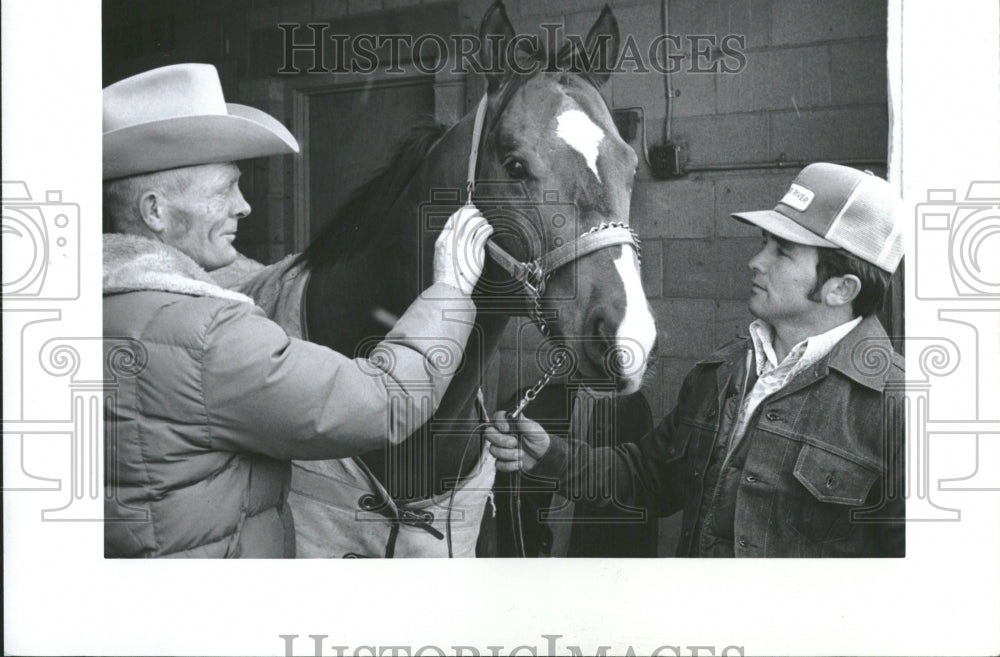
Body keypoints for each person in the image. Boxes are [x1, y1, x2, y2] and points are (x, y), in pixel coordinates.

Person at [102, 63, 492, 558]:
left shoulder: (101, 306)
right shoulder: (205, 335)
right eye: (225, 189)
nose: (244, 206)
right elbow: (385, 403)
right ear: (155, 211)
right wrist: (452, 289)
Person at [486, 163, 905, 557]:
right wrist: (551, 457)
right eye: (764, 245)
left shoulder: (899, 409)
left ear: (841, 289)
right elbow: (650, 477)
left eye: (783, 252)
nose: (755, 262)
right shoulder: (723, 373)